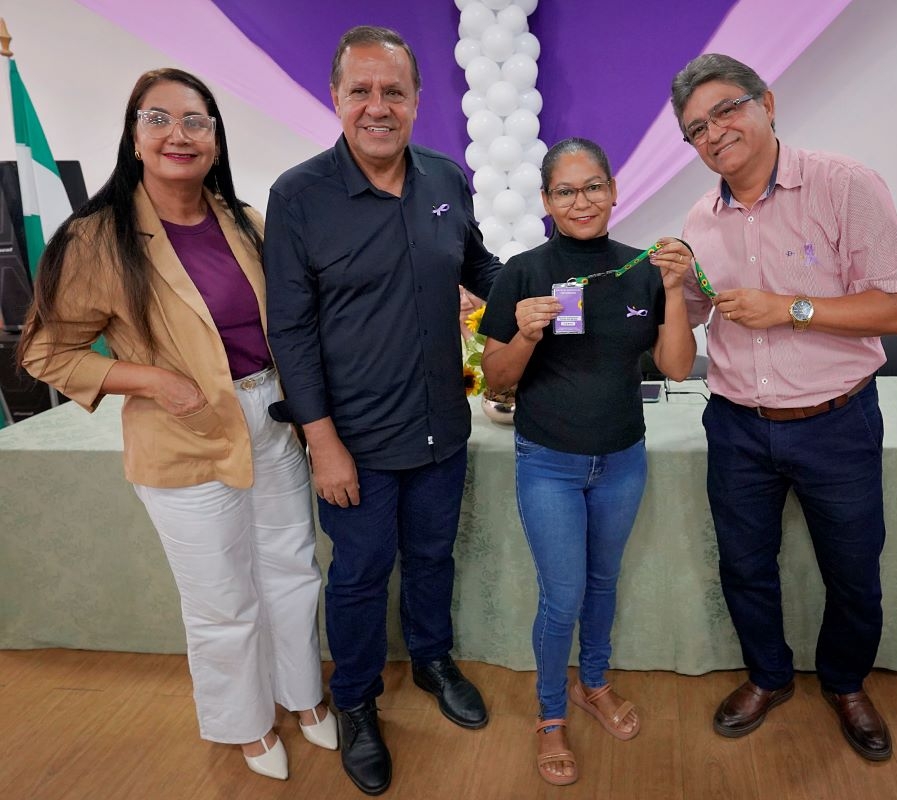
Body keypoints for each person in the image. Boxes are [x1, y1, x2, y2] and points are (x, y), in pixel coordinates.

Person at [18, 68, 338, 780]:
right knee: (222, 595)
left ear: (215, 139)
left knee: (291, 570)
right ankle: (247, 723)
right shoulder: (97, 238)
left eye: (196, 120)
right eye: (158, 119)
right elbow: (45, 351)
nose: (178, 135)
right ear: (134, 138)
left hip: (271, 416)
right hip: (181, 434)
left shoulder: (246, 221)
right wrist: (151, 379)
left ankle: (302, 694)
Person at [263, 26, 501, 796]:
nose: (377, 106)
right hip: (355, 441)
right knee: (361, 575)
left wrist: (569, 292)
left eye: (393, 91)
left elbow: (482, 269)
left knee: (433, 556)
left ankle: (431, 660)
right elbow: (289, 330)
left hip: (442, 426)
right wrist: (321, 441)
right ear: (335, 98)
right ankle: (358, 701)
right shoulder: (298, 196)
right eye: (360, 91)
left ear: (417, 101)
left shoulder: (446, 178)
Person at [670, 53, 897, 761]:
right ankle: (768, 676)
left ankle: (845, 683)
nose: (714, 133)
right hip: (737, 425)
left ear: (767, 103)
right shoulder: (700, 219)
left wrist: (791, 307)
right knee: (745, 566)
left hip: (836, 420)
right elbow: (688, 316)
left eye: (726, 110)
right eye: (696, 128)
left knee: (853, 570)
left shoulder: (844, 185)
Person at [478, 137, 696, 786]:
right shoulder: (522, 273)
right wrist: (525, 333)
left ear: (614, 190)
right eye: (566, 191)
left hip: (622, 458)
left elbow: (676, 367)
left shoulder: (641, 269)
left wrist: (674, 289)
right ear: (546, 201)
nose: (582, 201)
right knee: (564, 593)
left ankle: (592, 683)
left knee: (603, 583)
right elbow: (497, 380)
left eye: (593, 186)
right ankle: (550, 714)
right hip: (549, 461)